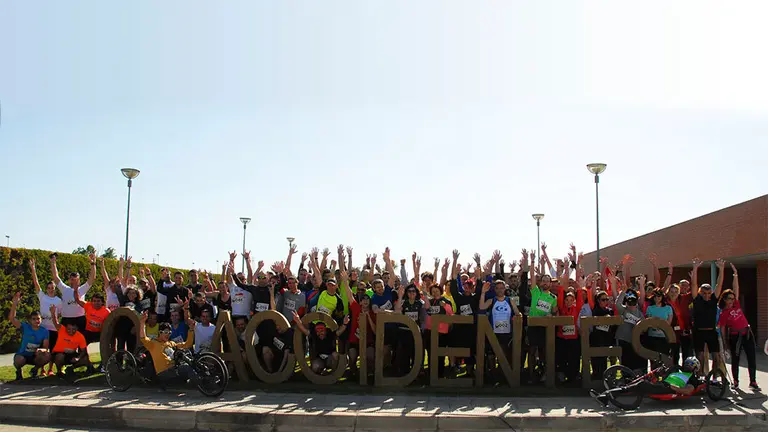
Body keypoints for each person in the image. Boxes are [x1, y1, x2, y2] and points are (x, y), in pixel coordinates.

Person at [591, 356, 703, 405]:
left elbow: (688, 391)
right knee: (639, 376)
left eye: (691, 364)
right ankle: (610, 393)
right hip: (662, 384)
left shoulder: (692, 378)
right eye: (687, 363)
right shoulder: (676, 369)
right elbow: (664, 374)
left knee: (640, 385)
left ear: (695, 368)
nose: (688, 365)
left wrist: (673, 387)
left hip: (669, 389)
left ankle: (606, 396)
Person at [719, 263, 760, 391]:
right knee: (736, 359)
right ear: (724, 299)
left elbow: (735, 288)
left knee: (751, 357)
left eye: (732, 298)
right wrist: (725, 343)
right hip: (735, 337)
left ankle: (753, 381)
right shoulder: (723, 313)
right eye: (729, 299)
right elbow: (722, 328)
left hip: (747, 333)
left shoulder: (736, 304)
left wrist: (735, 275)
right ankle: (735, 381)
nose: (732, 300)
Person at [137, 310, 196, 383]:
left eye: (169, 333)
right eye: (165, 332)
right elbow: (143, 338)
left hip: (173, 369)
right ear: (160, 332)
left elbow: (187, 344)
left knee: (190, 363)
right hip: (163, 372)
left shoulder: (171, 343)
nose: (168, 335)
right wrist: (142, 322)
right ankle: (202, 384)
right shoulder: (153, 344)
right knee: (186, 368)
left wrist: (191, 329)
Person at [479, 279, 521, 379]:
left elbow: (517, 313)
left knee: (505, 355)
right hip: (494, 333)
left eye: (501, 288)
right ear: (495, 290)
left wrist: (519, 316)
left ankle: (505, 375)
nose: (500, 290)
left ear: (505, 289)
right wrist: (483, 293)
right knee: (492, 355)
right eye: (497, 288)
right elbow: (481, 307)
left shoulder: (510, 300)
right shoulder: (491, 301)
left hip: (507, 333)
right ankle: (493, 375)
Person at [527, 251, 557, 383]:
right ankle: (531, 375)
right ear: (540, 283)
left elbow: (555, 311)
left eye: (547, 281)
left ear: (550, 284)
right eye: (543, 281)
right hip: (533, 325)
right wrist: (532, 262)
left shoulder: (553, 298)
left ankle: (545, 374)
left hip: (545, 327)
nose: (545, 283)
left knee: (544, 351)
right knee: (532, 351)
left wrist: (552, 314)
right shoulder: (536, 292)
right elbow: (532, 277)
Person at [691, 258, 724, 375]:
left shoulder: (714, 300)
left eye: (709, 293)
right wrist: (695, 269)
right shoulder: (697, 299)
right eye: (704, 293)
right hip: (698, 331)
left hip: (711, 331)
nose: (706, 295)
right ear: (700, 292)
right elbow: (694, 284)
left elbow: (719, 284)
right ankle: (700, 378)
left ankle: (714, 378)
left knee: (716, 356)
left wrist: (721, 269)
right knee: (699, 357)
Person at [29, 258, 61, 377]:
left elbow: (60, 314)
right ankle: (42, 369)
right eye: (48, 288)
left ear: (55, 288)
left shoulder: (59, 301)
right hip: (43, 328)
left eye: (52, 288)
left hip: (53, 329)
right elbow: (36, 283)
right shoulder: (42, 297)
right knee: (42, 350)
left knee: (53, 350)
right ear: (46, 289)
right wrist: (33, 269)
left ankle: (50, 369)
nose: (51, 289)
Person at [50, 252, 97, 332]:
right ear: (69, 280)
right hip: (66, 320)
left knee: (81, 342)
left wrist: (93, 263)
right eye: (72, 279)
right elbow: (55, 277)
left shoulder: (82, 289)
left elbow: (92, 278)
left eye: (76, 280)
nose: (74, 282)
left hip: (80, 320)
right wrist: (53, 262)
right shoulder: (64, 289)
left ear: (79, 280)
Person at [8, 292, 51, 380]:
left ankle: (35, 370)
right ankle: (19, 371)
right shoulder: (25, 327)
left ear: (41, 319)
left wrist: (41, 350)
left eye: (38, 319)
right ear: (30, 320)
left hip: (35, 356)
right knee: (18, 360)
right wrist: (14, 304)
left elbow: (46, 348)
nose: (36, 321)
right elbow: (12, 319)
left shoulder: (44, 331)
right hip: (23, 355)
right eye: (34, 319)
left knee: (47, 355)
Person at [50, 304, 93, 376]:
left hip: (71, 354)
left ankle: (71, 368)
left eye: (74, 329)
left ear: (77, 329)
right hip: (59, 353)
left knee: (85, 359)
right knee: (59, 357)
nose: (71, 331)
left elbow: (84, 350)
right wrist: (53, 313)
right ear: (65, 328)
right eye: (69, 329)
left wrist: (78, 358)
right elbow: (55, 321)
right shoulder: (61, 329)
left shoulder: (80, 336)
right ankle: (59, 371)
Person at [615, 277, 646, 374]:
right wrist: (623, 292)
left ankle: (635, 376)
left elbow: (644, 327)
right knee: (624, 359)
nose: (631, 303)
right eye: (629, 301)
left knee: (634, 359)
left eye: (633, 301)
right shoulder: (623, 310)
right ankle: (625, 376)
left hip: (634, 340)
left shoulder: (640, 313)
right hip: (623, 339)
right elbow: (618, 303)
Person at [645, 286, 674, 364]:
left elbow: (669, 322)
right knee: (653, 359)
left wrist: (661, 326)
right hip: (652, 336)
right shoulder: (650, 308)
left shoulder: (668, 308)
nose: (657, 298)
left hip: (664, 336)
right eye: (655, 296)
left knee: (664, 357)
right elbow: (648, 321)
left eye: (659, 296)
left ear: (662, 297)